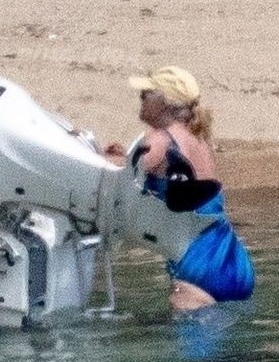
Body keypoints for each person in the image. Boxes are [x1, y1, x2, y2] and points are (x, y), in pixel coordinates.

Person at [104, 66, 255, 313]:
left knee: (190, 337)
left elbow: (118, 176)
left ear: (165, 103)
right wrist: (126, 156)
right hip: (233, 260)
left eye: (147, 93)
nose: (141, 97)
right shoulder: (200, 138)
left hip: (197, 266)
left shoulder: (160, 139)